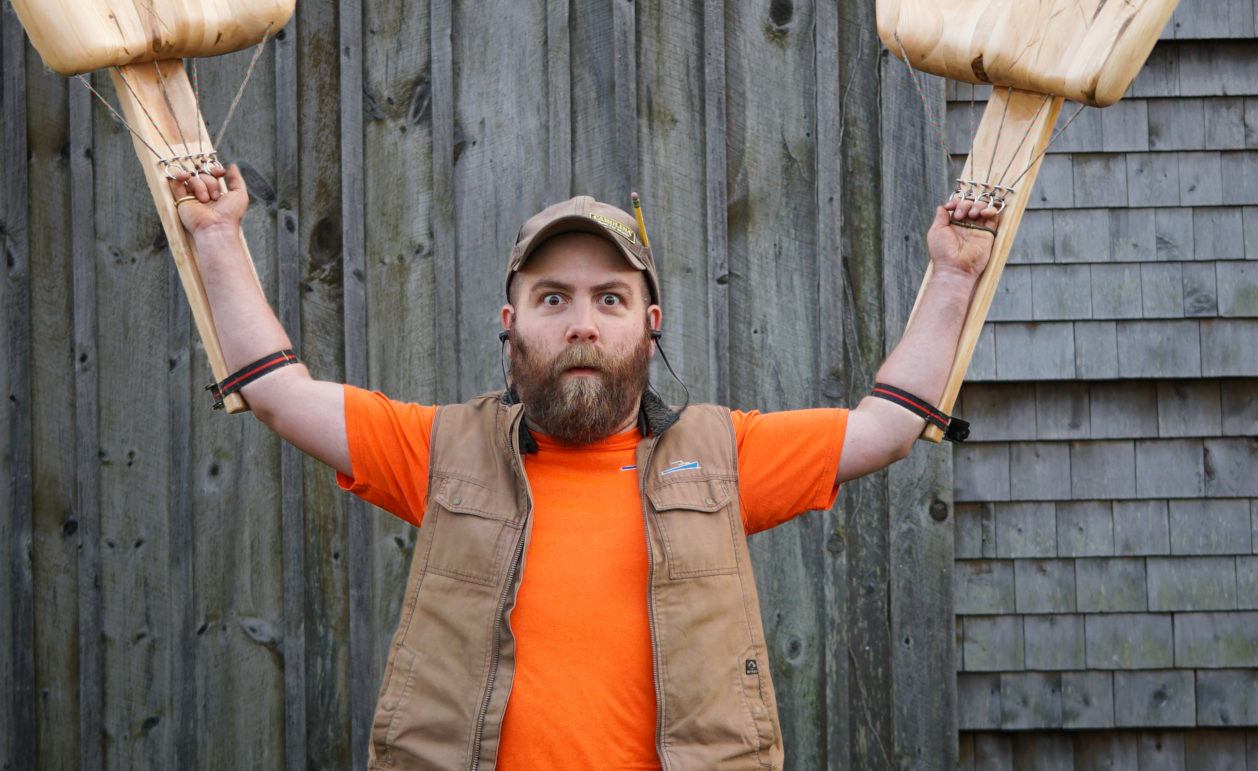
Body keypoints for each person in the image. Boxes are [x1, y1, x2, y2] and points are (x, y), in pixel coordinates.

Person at [173, 168, 997, 771]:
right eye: (552, 298)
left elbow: (890, 426)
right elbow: (276, 392)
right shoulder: (442, 450)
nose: (582, 324)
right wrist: (214, 233)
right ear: (511, 322)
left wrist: (956, 271)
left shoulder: (722, 454)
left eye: (610, 298)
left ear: (649, 322)